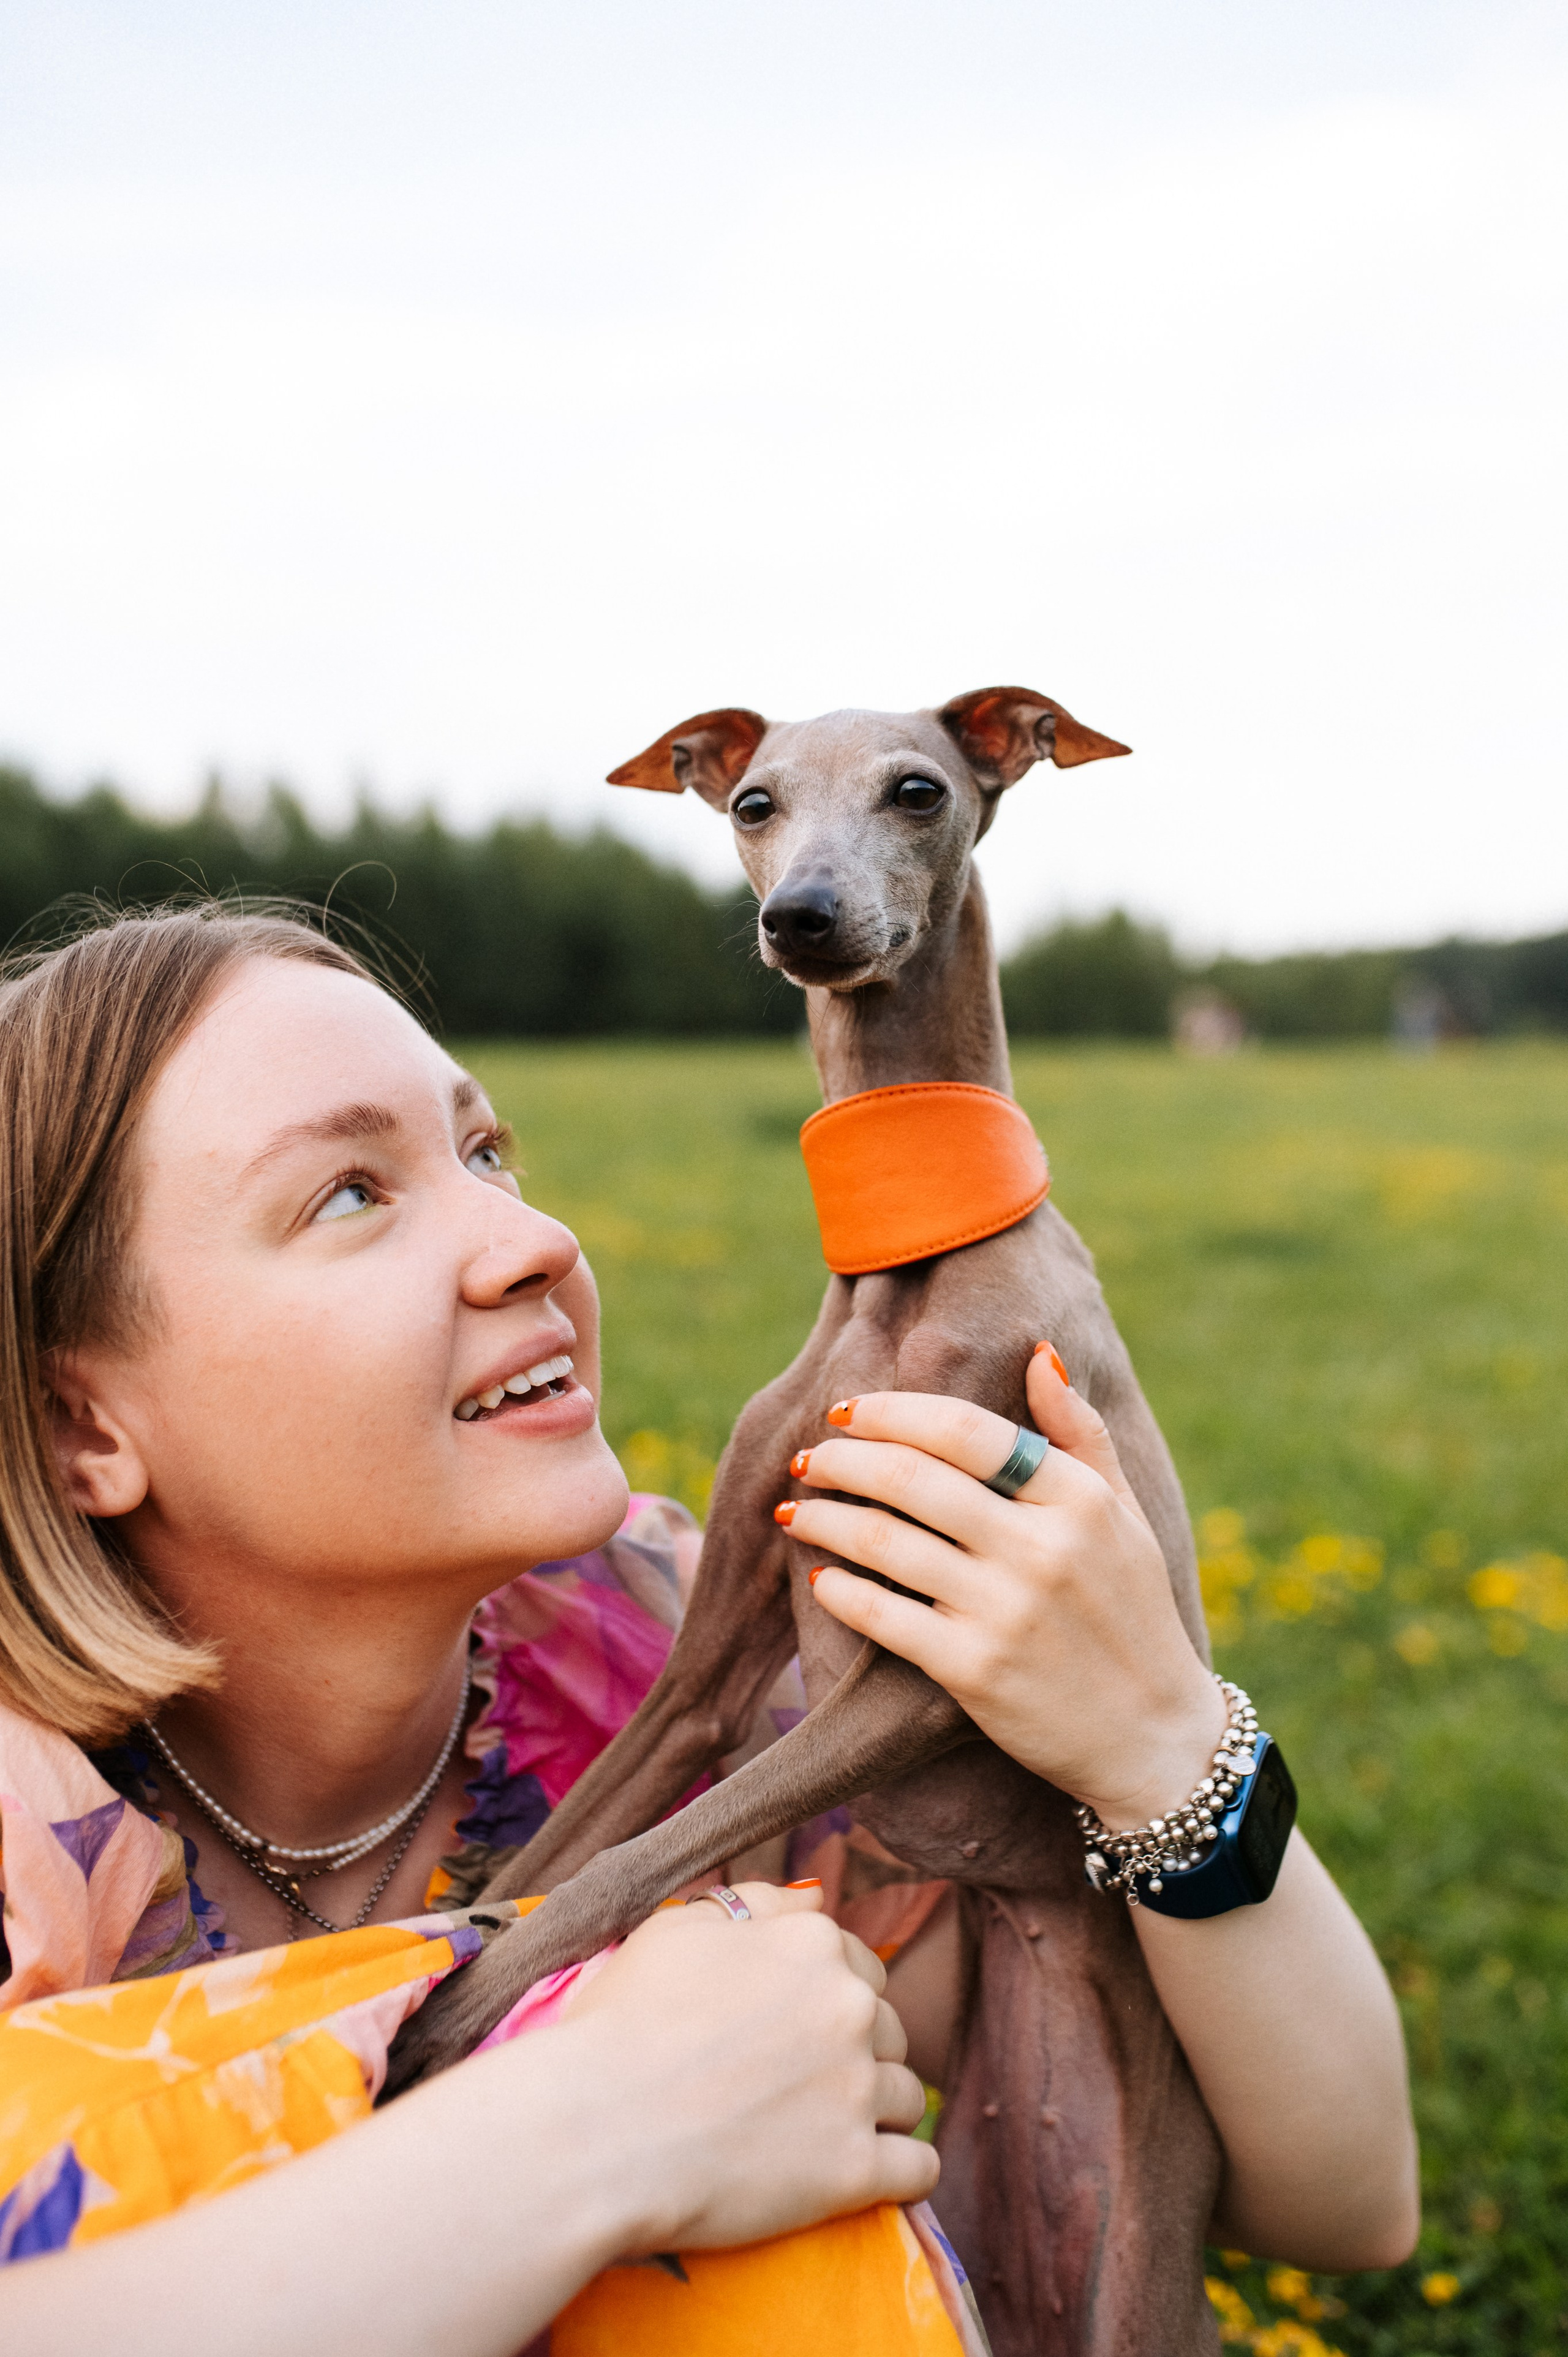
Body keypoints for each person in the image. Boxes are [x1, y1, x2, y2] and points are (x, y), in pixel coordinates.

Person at [0, 905, 1415, 2356]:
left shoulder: (658, 1657)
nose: (534, 1241)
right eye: (351, 1195)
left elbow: (1334, 2200)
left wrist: (1165, 1746)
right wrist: (597, 2126)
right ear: (81, 1428)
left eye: (486, 1153)